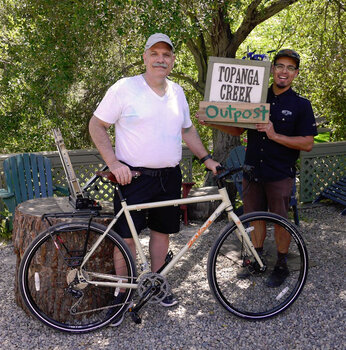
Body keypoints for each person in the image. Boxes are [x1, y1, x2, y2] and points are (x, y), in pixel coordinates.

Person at [89, 33, 220, 325]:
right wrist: (113, 162)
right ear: (145, 57)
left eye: (167, 55)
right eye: (155, 53)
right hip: (132, 178)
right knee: (126, 239)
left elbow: (187, 131)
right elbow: (97, 125)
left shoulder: (178, 92)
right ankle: (122, 294)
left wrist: (206, 159)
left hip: (169, 177)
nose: (161, 59)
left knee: (162, 233)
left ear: (172, 61)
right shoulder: (125, 88)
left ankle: (156, 284)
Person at [197, 49, 317, 287]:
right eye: (280, 66)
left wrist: (274, 135)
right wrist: (212, 120)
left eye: (290, 68)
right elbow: (238, 129)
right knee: (254, 219)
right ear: (272, 69)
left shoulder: (301, 105)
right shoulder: (255, 97)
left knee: (280, 220)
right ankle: (256, 258)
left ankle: (281, 264)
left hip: (280, 173)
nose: (284, 71)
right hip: (252, 171)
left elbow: (307, 143)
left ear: (296, 73)